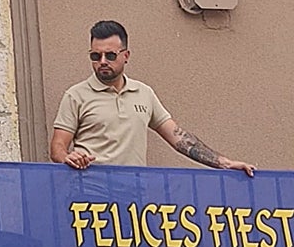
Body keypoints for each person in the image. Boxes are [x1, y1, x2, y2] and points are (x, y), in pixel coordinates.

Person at [50, 20, 254, 175]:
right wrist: (69, 157)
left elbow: (178, 138)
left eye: (110, 55)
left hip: (134, 197)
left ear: (126, 56)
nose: (102, 61)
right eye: (96, 56)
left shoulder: (144, 93)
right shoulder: (75, 95)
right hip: (89, 197)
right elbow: (57, 148)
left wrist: (225, 163)